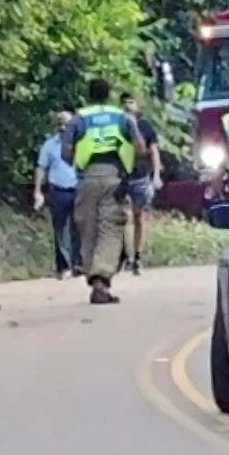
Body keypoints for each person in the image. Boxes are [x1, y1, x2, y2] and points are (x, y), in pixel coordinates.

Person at [62, 78, 146, 304]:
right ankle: (102, 277)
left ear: (88, 95)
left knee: (87, 228)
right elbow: (140, 148)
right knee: (110, 229)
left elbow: (66, 154)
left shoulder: (78, 119)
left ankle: (93, 276)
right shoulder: (123, 118)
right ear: (109, 94)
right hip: (114, 178)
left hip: (86, 178)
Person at [117, 93, 163, 275]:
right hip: (120, 177)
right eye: (124, 102)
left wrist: (156, 175)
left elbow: (153, 152)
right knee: (120, 217)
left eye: (131, 101)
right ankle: (122, 254)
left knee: (138, 216)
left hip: (140, 176)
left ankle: (136, 256)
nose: (128, 105)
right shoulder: (117, 127)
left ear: (137, 106)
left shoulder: (145, 127)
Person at [34, 110, 83, 280]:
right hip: (58, 190)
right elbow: (41, 167)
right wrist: (38, 190)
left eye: (67, 123)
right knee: (60, 229)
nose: (63, 126)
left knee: (80, 227)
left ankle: (79, 264)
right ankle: (64, 266)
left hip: (78, 188)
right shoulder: (49, 145)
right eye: (60, 123)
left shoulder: (81, 143)